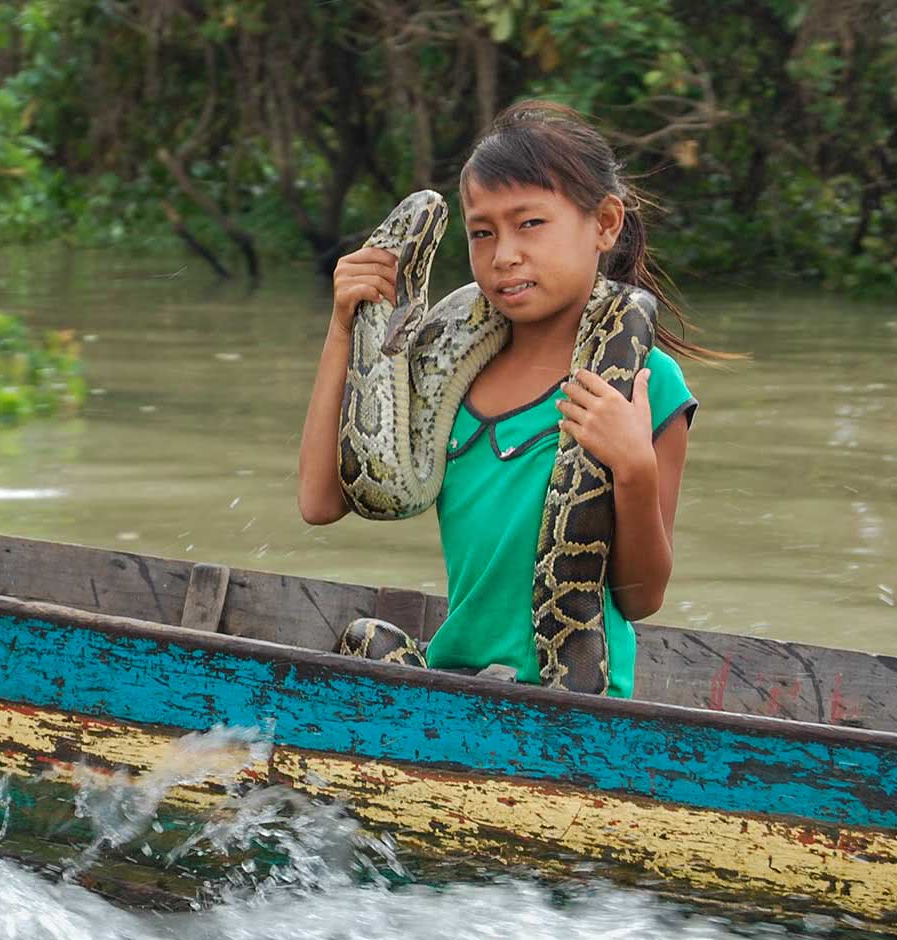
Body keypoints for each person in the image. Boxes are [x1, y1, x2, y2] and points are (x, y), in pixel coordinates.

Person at [297, 100, 723, 698]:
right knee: (365, 637)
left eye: (530, 224)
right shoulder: (452, 377)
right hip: (456, 682)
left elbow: (642, 598)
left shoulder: (642, 383)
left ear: (604, 224)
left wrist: (633, 467)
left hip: (576, 701)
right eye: (482, 232)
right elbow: (320, 502)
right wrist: (346, 329)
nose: (504, 255)